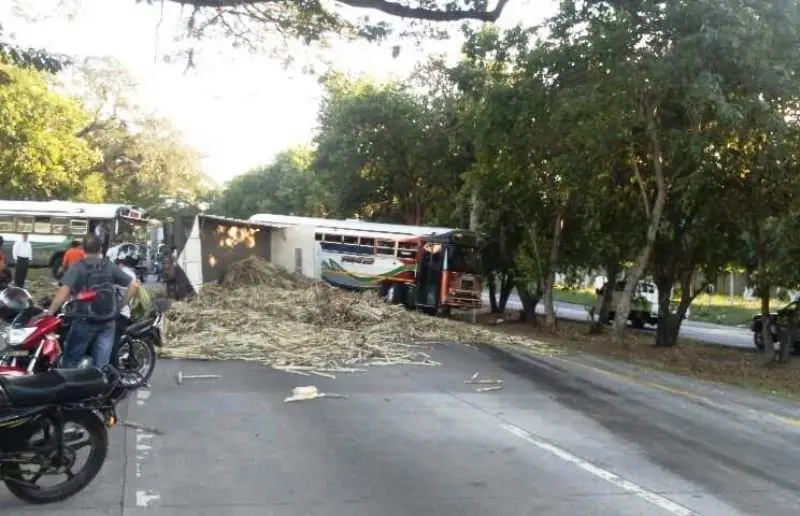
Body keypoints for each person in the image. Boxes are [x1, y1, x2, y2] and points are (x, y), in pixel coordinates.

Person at [44, 234, 140, 368]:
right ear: (100, 248)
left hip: (84, 320)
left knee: (71, 360)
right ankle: (99, 380)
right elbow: (133, 286)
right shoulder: (109, 266)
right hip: (107, 320)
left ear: (83, 249)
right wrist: (119, 306)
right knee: (101, 364)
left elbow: (63, 292)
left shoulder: (78, 267)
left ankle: (71, 379)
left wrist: (49, 313)